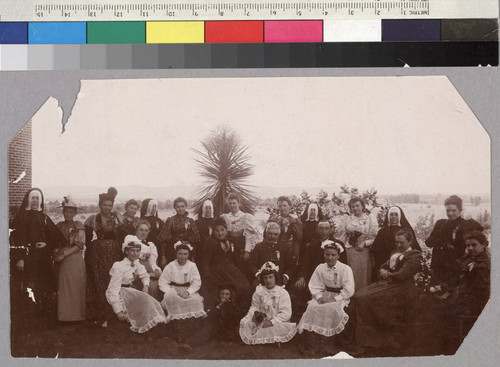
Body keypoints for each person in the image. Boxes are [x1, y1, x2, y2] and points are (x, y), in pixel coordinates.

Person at [346, 228, 421, 349]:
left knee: (363, 298)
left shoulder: (414, 255)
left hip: (402, 288)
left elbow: (402, 274)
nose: (398, 245)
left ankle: (373, 339)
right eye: (397, 242)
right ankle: (360, 337)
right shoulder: (395, 253)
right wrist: (382, 270)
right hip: (388, 285)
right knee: (357, 295)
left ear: (410, 241)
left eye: (402, 242)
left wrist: (387, 274)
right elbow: (383, 266)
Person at [10, 188, 66, 315]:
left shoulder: (44, 217)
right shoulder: (21, 217)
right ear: (29, 200)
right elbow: (14, 240)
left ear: (40, 201)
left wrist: (46, 244)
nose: (35, 201)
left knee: (42, 287)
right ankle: (27, 318)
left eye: (37, 198)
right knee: (27, 288)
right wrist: (20, 258)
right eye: (33, 198)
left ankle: (41, 318)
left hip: (43, 259)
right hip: (27, 259)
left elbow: (57, 238)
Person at [297, 241, 354, 356]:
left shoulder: (345, 269)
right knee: (312, 308)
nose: (330, 257)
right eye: (327, 254)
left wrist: (336, 299)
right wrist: (319, 296)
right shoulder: (320, 268)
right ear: (324, 254)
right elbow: (314, 285)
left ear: (338, 256)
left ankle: (330, 344)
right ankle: (313, 343)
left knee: (333, 310)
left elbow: (349, 289)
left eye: (333, 255)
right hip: (324, 295)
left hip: (340, 297)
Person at [105, 239, 167, 333]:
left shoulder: (136, 263)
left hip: (130, 290)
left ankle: (153, 327)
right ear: (126, 251)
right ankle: (147, 326)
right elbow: (112, 290)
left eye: (137, 251)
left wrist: (145, 286)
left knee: (146, 298)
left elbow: (145, 275)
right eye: (132, 250)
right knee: (145, 300)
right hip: (120, 292)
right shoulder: (119, 266)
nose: (135, 253)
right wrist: (118, 311)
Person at [84, 187, 125, 325]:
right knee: (99, 281)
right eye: (104, 205)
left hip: (115, 252)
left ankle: (115, 312)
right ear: (99, 205)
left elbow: (123, 234)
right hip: (97, 254)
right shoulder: (93, 219)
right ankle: (101, 315)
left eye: (109, 205)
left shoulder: (117, 217)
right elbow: (88, 239)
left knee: (113, 280)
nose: (107, 208)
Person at [159, 241, 207, 351]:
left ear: (188, 255)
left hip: (187, 290)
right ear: (176, 254)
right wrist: (171, 291)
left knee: (196, 301)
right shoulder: (170, 266)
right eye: (180, 253)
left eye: (185, 254)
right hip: (173, 290)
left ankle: (188, 335)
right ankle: (176, 334)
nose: (182, 256)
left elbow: (196, 282)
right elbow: (162, 282)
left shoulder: (192, 266)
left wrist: (188, 292)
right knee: (173, 300)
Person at [426, 195, 482, 284]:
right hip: (438, 265)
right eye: (448, 210)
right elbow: (428, 243)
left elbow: (469, 245)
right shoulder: (440, 224)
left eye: (454, 210)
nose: (450, 213)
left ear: (460, 210)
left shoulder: (466, 225)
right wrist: (443, 243)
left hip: (454, 267)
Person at [239, 262, 297, 345]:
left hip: (276, 321)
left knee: (280, 328)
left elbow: (286, 313)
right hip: (260, 320)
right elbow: (254, 306)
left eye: (270, 277)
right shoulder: (259, 291)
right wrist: (255, 316)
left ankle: (271, 338)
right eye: (265, 278)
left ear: (275, 278)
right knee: (247, 324)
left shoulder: (282, 292)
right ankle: (270, 339)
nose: (268, 280)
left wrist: (271, 322)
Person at [201, 218, 252, 308]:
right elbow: (205, 261)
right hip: (216, 271)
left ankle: (240, 309)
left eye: (222, 230)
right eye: (217, 231)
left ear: (226, 230)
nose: (220, 233)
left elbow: (235, 257)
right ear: (213, 232)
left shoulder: (230, 242)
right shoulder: (211, 242)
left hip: (230, 269)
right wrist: (206, 276)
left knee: (244, 286)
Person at [54, 195, 87, 322]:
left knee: (74, 285)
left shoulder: (79, 226)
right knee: (63, 286)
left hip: (74, 258)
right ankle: (64, 316)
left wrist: (65, 254)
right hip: (60, 258)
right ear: (63, 212)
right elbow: (53, 241)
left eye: (71, 212)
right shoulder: (58, 225)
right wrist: (56, 252)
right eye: (66, 211)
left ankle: (77, 316)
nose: (68, 214)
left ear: (75, 213)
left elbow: (79, 245)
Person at [341, 197, 378, 291]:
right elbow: (343, 236)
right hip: (350, 252)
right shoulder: (347, 219)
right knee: (351, 275)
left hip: (364, 252)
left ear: (362, 206)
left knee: (364, 276)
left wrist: (364, 243)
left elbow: (375, 238)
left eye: (357, 205)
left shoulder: (370, 219)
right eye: (352, 206)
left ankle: (363, 299)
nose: (355, 208)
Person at [220, 194, 260, 277]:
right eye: (230, 203)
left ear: (239, 204)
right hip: (229, 249)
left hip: (241, 248)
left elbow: (249, 236)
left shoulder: (245, 217)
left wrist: (247, 251)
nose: (232, 205)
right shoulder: (225, 217)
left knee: (242, 271)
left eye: (234, 203)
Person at [453, 230, 490, 319]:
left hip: (474, 307)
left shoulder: (484, 264)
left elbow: (479, 290)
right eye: (468, 245)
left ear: (483, 245)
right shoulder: (469, 260)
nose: (469, 248)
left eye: (474, 245)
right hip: (464, 303)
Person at [249, 222, 297, 288]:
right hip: (263, 279)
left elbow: (292, 266)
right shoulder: (259, 247)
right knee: (255, 285)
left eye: (275, 234)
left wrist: (286, 276)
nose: (272, 236)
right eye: (270, 234)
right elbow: (252, 264)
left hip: (280, 279)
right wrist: (258, 274)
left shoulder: (285, 247)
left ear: (279, 235)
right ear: (266, 234)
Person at [158, 197, 201, 267]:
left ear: (186, 207)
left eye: (182, 206)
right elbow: (163, 240)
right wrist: (163, 257)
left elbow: (195, 241)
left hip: (187, 252)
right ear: (175, 208)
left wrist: (193, 257)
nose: (181, 209)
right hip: (172, 251)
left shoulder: (190, 221)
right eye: (178, 207)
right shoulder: (170, 220)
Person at [125, 220, 163, 300]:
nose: (143, 232)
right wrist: (144, 255)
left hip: (147, 270)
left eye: (146, 230)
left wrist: (156, 270)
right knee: (151, 286)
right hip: (133, 268)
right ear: (136, 230)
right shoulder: (130, 239)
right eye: (141, 230)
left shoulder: (151, 245)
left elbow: (152, 262)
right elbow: (134, 253)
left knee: (159, 283)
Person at [268, 196, 303, 261]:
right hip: (274, 248)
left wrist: (295, 253)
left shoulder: (295, 221)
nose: (282, 208)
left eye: (284, 206)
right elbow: (266, 236)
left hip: (289, 250)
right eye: (280, 206)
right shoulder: (273, 219)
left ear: (289, 206)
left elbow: (297, 239)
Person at [139, 198, 165, 263]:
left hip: (158, 246)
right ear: (147, 207)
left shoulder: (159, 221)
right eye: (152, 206)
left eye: (155, 206)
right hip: (144, 246)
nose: (154, 209)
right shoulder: (141, 220)